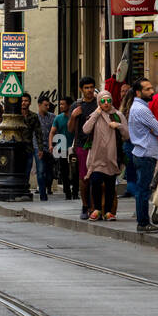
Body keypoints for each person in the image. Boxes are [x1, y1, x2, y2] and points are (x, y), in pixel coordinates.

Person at [82, 91, 128, 220]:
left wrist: (118, 126)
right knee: (95, 181)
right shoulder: (95, 116)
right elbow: (85, 129)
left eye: (108, 100)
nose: (106, 103)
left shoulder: (118, 115)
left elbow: (127, 135)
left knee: (110, 185)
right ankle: (96, 209)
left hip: (112, 156)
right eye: (103, 101)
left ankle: (108, 211)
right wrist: (96, 113)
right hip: (96, 157)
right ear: (99, 103)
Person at [126, 78, 158, 233]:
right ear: (138, 92)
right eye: (147, 89)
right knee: (143, 190)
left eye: (151, 88)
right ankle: (143, 222)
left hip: (142, 152)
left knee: (142, 189)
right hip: (146, 153)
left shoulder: (137, 107)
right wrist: (153, 129)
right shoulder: (142, 109)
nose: (152, 91)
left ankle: (143, 221)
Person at [67, 77, 99, 219]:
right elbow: (70, 129)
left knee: (96, 177)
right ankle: (85, 205)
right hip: (82, 145)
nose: (89, 90)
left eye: (91, 87)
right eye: (86, 88)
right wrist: (73, 116)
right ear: (81, 90)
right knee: (84, 177)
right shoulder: (76, 105)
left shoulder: (99, 103)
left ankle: (96, 206)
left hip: (98, 145)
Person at [49, 98, 76, 200]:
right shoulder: (58, 118)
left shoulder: (74, 117)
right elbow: (52, 132)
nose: (60, 106)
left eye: (63, 104)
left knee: (75, 171)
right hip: (61, 147)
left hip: (73, 147)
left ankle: (75, 192)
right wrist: (51, 144)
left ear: (69, 105)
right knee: (64, 171)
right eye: (60, 104)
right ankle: (67, 192)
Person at [32, 97, 55, 200]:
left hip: (50, 147)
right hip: (38, 147)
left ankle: (48, 186)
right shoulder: (34, 118)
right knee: (40, 171)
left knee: (50, 173)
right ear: (39, 105)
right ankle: (43, 194)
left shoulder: (52, 117)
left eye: (48, 105)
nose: (47, 107)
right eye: (45, 105)